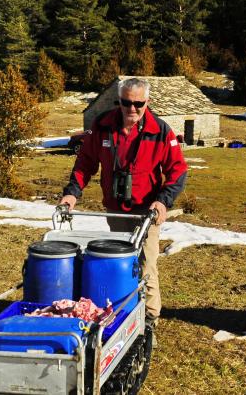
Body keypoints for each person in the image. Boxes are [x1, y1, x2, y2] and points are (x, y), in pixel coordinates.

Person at [59, 78, 188, 328]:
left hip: (146, 212)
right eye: (126, 103)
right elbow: (86, 162)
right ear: (119, 101)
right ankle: (122, 310)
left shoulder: (160, 131)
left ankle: (150, 318)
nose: (132, 109)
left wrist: (163, 202)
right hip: (116, 209)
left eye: (138, 104)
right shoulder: (103, 126)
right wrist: (72, 192)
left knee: (145, 264)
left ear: (147, 102)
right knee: (118, 261)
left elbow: (177, 171)